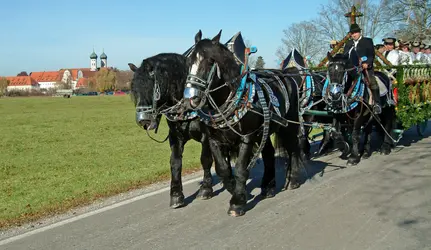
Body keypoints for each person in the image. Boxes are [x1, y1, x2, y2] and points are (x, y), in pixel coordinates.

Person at [343, 23, 381, 114]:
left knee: (372, 81)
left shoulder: (367, 41)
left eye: (355, 32)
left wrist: (367, 63)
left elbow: (371, 55)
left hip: (365, 69)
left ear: (359, 32)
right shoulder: (348, 43)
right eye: (352, 33)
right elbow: (345, 56)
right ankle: (341, 100)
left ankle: (377, 104)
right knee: (341, 81)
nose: (354, 35)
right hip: (351, 70)